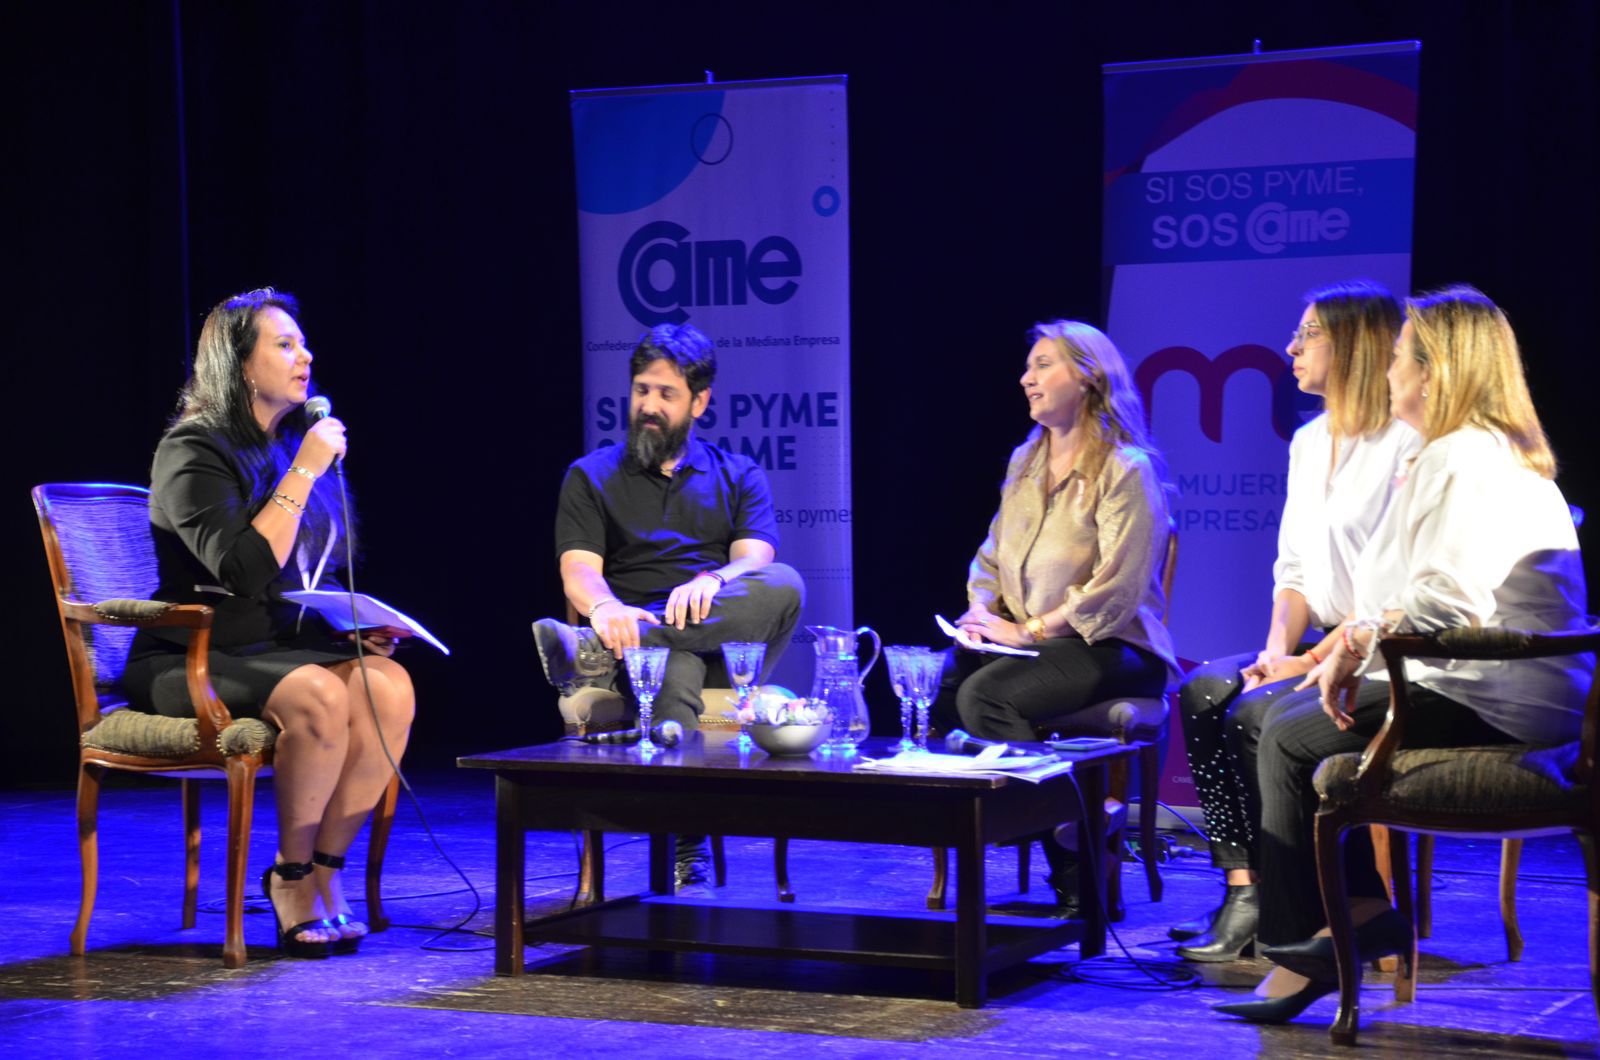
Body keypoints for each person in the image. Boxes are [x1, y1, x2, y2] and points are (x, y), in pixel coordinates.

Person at [1216, 285, 1591, 1023]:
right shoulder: (1462, 452)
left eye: (1397, 359)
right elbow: (1404, 594)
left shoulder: (1462, 457)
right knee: (1273, 718)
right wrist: (1344, 647)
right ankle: (1354, 916)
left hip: (1497, 694)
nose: (1386, 373)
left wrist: (1354, 642)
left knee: (1287, 733)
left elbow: (1445, 607)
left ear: (1434, 372)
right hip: (1481, 678)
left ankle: (1306, 947)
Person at [123, 289, 416, 958]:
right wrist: (310, 468)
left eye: (302, 342)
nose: (304, 355)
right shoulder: (191, 452)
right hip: (186, 657)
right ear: (239, 364)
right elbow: (244, 573)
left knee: (389, 685)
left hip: (269, 648)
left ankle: (323, 871)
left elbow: (295, 581)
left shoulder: (279, 448)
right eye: (284, 344)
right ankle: (288, 878)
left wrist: (349, 633)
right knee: (320, 693)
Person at [1172, 282, 1419, 962]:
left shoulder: (1407, 443)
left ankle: (1314, 907)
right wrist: (1274, 652)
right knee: (1206, 693)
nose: (1291, 347)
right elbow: (1294, 572)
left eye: (1307, 333)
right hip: (1315, 641)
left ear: (1355, 345)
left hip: (1377, 651)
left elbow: (1398, 597)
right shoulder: (1309, 441)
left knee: (1255, 719)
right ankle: (1244, 887)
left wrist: (1306, 665)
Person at [532, 323, 805, 888]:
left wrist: (715, 578)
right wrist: (606, 609)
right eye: (641, 391)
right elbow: (579, 568)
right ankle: (686, 847)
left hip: (721, 644)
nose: (648, 407)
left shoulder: (738, 473)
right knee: (676, 668)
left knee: (786, 582)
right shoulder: (591, 475)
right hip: (637, 648)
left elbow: (756, 555)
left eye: (666, 394)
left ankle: (591, 650)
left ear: (699, 402)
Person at [932, 320, 1179, 909]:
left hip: (1116, 648)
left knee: (988, 698)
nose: (1026, 378)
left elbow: (1114, 590)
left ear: (1088, 376)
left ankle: (1076, 867)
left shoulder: (1127, 468)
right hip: (1031, 643)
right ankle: (1077, 825)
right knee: (943, 682)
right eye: (1028, 366)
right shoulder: (1025, 460)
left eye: (1043, 364)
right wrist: (978, 611)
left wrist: (1028, 629)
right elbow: (992, 554)